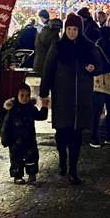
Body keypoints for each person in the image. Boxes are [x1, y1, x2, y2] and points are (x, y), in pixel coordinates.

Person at [40, 13, 102, 184]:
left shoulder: (88, 47)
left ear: (79, 30)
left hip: (81, 98)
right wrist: (44, 92)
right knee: (61, 132)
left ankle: (73, 170)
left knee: (76, 135)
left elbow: (99, 65)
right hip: (62, 97)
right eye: (69, 29)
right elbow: (48, 69)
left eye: (75, 29)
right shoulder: (58, 46)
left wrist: (93, 68)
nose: (72, 32)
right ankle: (62, 159)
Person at [0, 83, 48, 184]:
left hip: (29, 138)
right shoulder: (12, 109)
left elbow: (41, 116)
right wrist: (5, 138)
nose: (25, 98)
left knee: (32, 157)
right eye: (22, 95)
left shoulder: (30, 108)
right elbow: (5, 123)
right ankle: (17, 175)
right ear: (17, 96)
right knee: (16, 158)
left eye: (27, 95)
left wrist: (44, 107)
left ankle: (32, 173)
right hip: (15, 140)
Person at [91, 25, 110, 148]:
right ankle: (94, 137)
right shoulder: (98, 48)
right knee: (98, 111)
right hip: (100, 82)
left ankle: (109, 135)